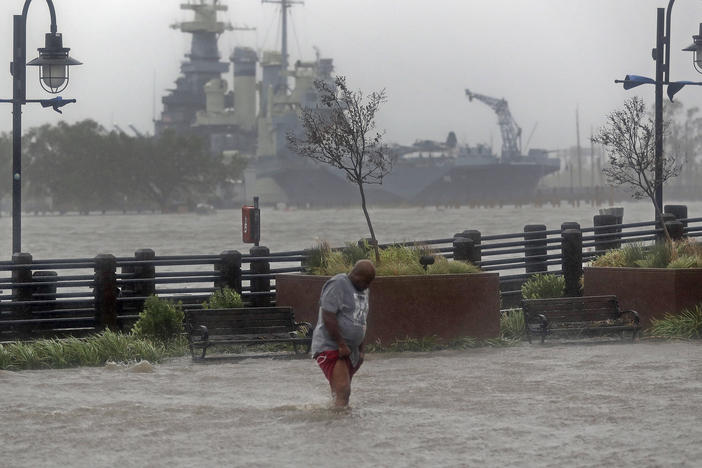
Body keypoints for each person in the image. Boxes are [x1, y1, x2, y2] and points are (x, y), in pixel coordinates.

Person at [310, 259, 376, 407]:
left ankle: (336, 422)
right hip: (332, 347)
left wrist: (361, 349)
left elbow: (361, 319)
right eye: (366, 282)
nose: (367, 286)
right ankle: (341, 424)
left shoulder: (364, 289)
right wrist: (341, 344)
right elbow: (328, 315)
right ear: (356, 276)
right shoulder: (338, 284)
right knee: (343, 390)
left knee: (341, 393)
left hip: (350, 351)